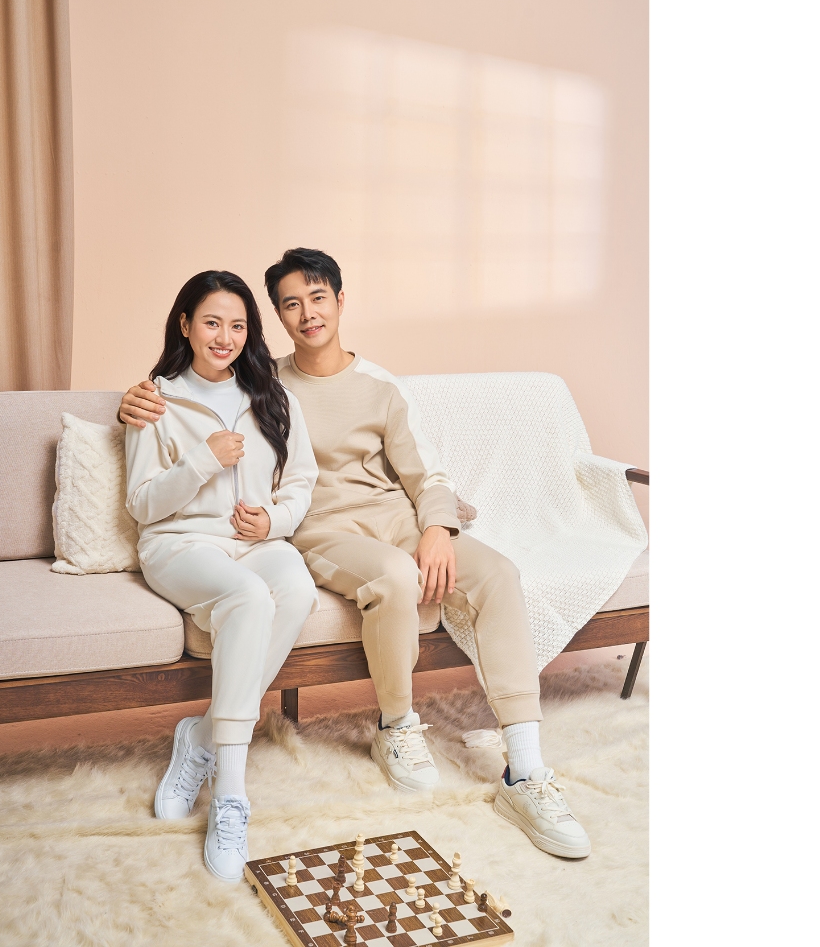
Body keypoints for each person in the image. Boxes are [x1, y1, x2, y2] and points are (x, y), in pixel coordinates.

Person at [121, 250, 591, 860]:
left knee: (499, 573)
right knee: (394, 577)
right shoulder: (263, 382)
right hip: (322, 529)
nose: (308, 314)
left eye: (318, 298)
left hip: (397, 520)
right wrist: (136, 401)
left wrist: (438, 527)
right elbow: (191, 408)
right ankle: (397, 727)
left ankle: (525, 772)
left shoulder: (376, 386)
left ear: (340, 301)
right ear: (278, 317)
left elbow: (427, 472)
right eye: (291, 304)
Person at [124, 270, 319, 882]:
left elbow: (302, 478)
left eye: (237, 325)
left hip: (252, 542)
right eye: (212, 322)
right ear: (185, 325)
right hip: (179, 544)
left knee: (296, 587)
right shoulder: (155, 400)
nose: (225, 337)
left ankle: (202, 737)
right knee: (248, 597)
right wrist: (204, 459)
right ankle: (231, 795)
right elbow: (143, 504)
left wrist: (274, 521)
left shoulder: (271, 395)